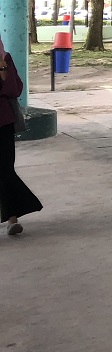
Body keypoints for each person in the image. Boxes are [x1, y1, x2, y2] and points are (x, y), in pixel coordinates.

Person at [0, 34, 42, 235]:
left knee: (5, 170)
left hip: (3, 123)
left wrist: (2, 67)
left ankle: (12, 218)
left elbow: (15, 88)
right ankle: (13, 216)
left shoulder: (4, 58)